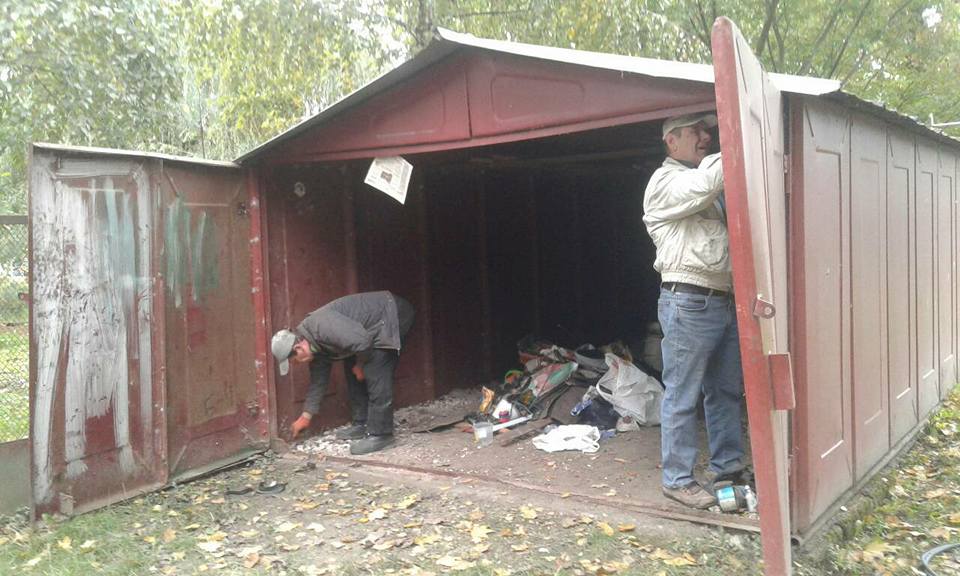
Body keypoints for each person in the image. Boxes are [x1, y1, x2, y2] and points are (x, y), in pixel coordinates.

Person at [642, 112, 746, 509]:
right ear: (672, 141)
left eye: (709, 131)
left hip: (721, 298)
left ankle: (728, 469)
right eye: (696, 131)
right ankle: (677, 479)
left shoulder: (706, 186)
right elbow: (705, 182)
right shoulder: (665, 182)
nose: (705, 137)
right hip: (689, 301)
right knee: (682, 395)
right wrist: (740, 137)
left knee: (724, 392)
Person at [271, 290, 415, 455]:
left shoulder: (322, 327)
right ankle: (362, 422)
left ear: (298, 348)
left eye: (295, 361)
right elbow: (318, 382)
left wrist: (360, 365)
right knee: (352, 365)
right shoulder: (314, 346)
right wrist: (306, 416)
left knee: (375, 367)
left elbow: (363, 341)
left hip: (391, 314)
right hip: (365, 334)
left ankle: (381, 435)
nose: (297, 364)